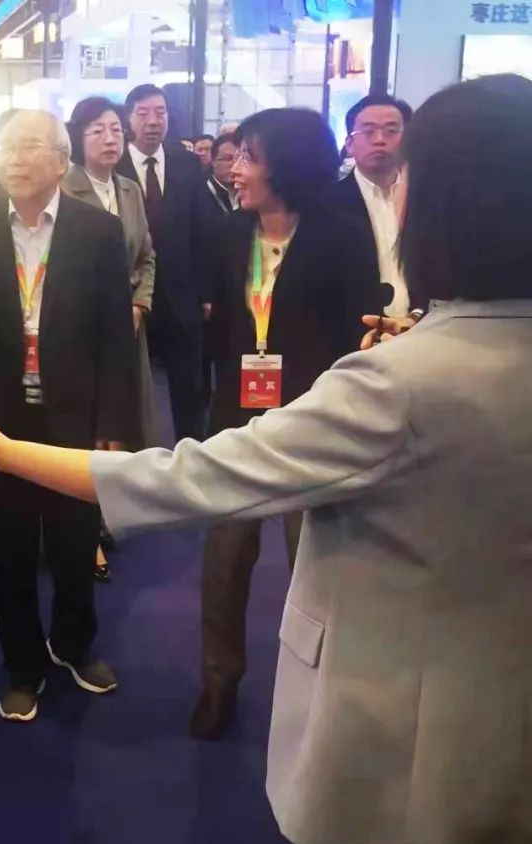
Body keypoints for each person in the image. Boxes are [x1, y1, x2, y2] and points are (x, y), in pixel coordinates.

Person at [0, 72, 532, 844]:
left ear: (446, 204)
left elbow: (187, 479)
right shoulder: (416, 358)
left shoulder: (400, 385)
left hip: (401, 763)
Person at [192, 108, 382, 740]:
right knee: (224, 561)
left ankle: (321, 690)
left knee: (315, 563)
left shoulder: (343, 235)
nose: (235, 168)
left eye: (249, 156)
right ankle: (218, 681)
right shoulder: (229, 233)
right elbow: (221, 330)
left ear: (289, 165)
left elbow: (356, 335)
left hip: (314, 424)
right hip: (237, 424)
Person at [0, 109, 137, 723]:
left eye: (29, 145)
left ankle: (74, 645)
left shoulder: (97, 230)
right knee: (8, 549)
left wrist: (114, 424)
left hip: (72, 415)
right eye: (5, 145)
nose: (13, 157)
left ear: (61, 161)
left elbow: (115, 336)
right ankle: (21, 666)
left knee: (74, 541)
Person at [63, 96, 157, 584]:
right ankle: (82, 528)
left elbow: (147, 258)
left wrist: (138, 305)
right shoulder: (65, 188)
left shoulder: (129, 189)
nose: (110, 138)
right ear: (78, 138)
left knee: (122, 419)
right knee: (85, 422)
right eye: (98, 130)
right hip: (79, 329)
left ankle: (110, 511)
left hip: (127, 325)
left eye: (117, 129)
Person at [117, 84, 212, 442]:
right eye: (143, 113)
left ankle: (193, 452)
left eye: (160, 112)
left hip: (181, 295)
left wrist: (205, 292)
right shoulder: (115, 165)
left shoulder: (186, 163)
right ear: (129, 119)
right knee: (132, 386)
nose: (153, 121)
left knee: (189, 387)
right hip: (131, 295)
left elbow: (201, 229)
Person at [329, 94, 416, 320]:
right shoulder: (327, 205)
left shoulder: (425, 201)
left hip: (421, 329)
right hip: (356, 331)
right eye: (368, 131)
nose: (380, 140)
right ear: (349, 144)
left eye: (391, 131)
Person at [205, 134, 238, 217]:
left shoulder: (250, 195)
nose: (235, 165)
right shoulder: (197, 195)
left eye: (238, 159)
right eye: (228, 159)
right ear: (212, 161)